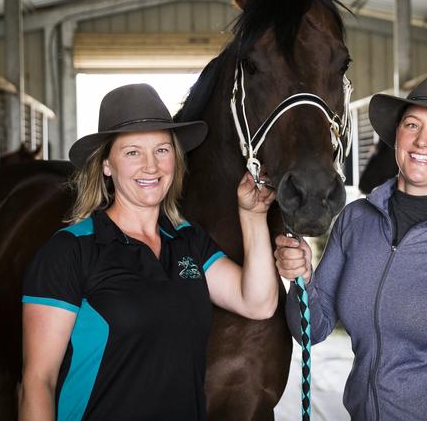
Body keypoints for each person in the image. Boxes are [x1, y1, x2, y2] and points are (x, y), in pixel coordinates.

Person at [275, 68, 427, 420]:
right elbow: (311, 330)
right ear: (397, 135)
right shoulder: (355, 221)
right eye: (412, 125)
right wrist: (301, 278)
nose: (423, 141)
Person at [18, 83, 278, 421]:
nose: (151, 166)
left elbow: (257, 302)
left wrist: (254, 215)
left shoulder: (187, 241)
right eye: (132, 152)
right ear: (106, 165)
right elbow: (38, 381)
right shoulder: (71, 251)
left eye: (162, 150)